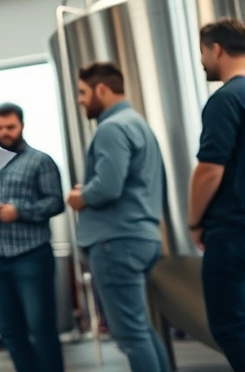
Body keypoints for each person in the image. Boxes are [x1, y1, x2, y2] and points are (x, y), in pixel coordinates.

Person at [66, 62, 170, 372]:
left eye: (83, 92)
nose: (80, 100)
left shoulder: (111, 128)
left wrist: (78, 197)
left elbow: (109, 187)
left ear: (102, 89)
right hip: (142, 236)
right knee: (141, 330)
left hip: (116, 241)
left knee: (130, 335)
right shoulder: (138, 123)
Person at [0, 103, 65, 372]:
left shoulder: (40, 161)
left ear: (21, 125)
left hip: (30, 256)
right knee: (9, 330)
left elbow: (56, 203)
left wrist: (20, 212)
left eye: (10, 127)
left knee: (41, 326)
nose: (5, 133)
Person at [187, 18, 245, 371]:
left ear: (216, 49)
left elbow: (209, 170)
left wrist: (194, 222)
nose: (202, 60)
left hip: (233, 231)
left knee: (232, 327)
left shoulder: (225, 99)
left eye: (202, 52)